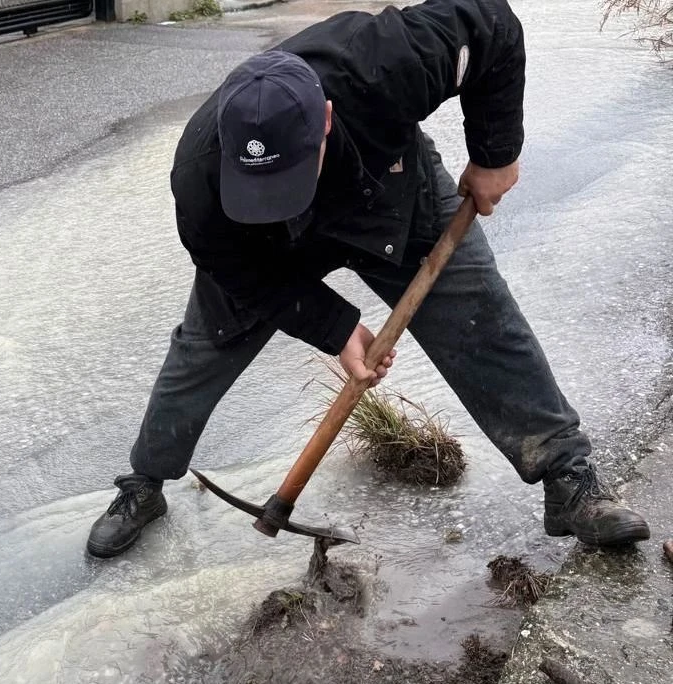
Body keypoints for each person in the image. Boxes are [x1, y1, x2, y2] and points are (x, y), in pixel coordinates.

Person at [85, 0, 652, 558]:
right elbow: (235, 270)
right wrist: (336, 328)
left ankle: (569, 479)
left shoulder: (385, 62)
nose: (279, 200)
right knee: (205, 345)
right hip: (260, 247)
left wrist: (494, 153)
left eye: (286, 178)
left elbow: (492, 24)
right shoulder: (199, 173)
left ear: (326, 119)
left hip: (391, 197)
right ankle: (144, 484)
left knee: (479, 316)